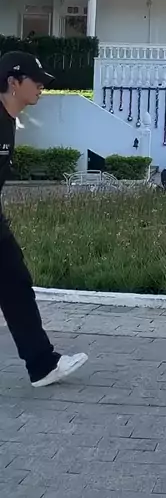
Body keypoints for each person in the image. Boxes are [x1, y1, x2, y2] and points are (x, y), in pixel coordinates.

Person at [0, 51, 88, 387]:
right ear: (13, 82)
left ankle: (42, 365)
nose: (41, 87)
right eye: (35, 81)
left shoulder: (8, 120)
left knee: (16, 285)